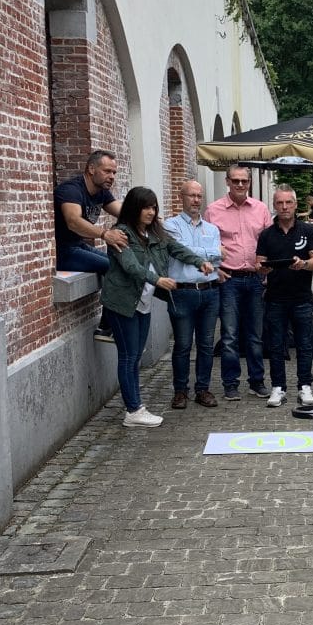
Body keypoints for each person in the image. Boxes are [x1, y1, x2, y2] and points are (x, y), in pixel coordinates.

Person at [101, 186, 213, 428]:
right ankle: (133, 410)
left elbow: (177, 249)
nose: (151, 212)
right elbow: (131, 266)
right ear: (134, 208)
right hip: (122, 303)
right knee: (128, 356)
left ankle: (135, 407)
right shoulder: (121, 233)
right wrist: (158, 280)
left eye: (153, 207)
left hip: (143, 302)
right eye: (146, 207)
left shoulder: (154, 232)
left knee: (135, 356)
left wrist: (199, 262)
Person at [204, 165, 272, 400]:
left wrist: (267, 271)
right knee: (230, 335)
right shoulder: (213, 211)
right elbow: (205, 245)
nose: (240, 185)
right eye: (235, 180)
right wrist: (215, 269)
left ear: (249, 182)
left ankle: (257, 381)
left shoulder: (261, 209)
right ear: (227, 181)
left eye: (244, 181)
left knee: (255, 335)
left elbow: (269, 242)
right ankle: (230, 383)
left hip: (255, 279)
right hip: (229, 280)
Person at [256, 186, 313, 408]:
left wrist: (303, 264)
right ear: (274, 205)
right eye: (280, 203)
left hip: (302, 297)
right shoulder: (266, 234)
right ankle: (278, 387)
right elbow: (259, 262)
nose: (284, 207)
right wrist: (262, 268)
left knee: (304, 345)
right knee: (276, 345)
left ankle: (305, 386)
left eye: (288, 202)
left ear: (295, 204)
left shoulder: (307, 231)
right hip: (275, 298)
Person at [54, 149, 127, 341]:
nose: (112, 176)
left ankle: (107, 325)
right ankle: (106, 327)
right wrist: (105, 234)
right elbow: (73, 221)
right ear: (91, 169)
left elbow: (124, 212)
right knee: (113, 267)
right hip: (63, 252)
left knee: (120, 262)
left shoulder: (101, 192)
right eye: (107, 171)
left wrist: (151, 219)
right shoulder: (71, 190)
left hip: (77, 246)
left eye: (114, 172)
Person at [165, 179, 223, 410]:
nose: (196, 200)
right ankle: (180, 391)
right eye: (191, 195)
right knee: (182, 344)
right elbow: (181, 251)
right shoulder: (170, 226)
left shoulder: (212, 229)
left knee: (206, 344)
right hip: (183, 292)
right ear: (181, 197)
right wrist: (211, 252)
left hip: (209, 292)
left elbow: (219, 259)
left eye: (199, 196)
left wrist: (212, 254)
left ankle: (203, 389)